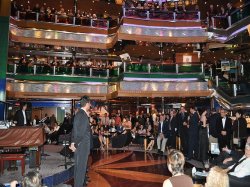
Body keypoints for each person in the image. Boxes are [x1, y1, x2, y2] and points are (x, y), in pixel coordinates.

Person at [69, 96, 91, 187]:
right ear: (87, 104)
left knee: (78, 169)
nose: (90, 105)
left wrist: (73, 143)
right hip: (82, 146)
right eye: (89, 103)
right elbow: (81, 134)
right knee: (81, 170)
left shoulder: (78, 114)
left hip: (79, 145)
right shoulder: (83, 115)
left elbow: (75, 130)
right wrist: (75, 144)